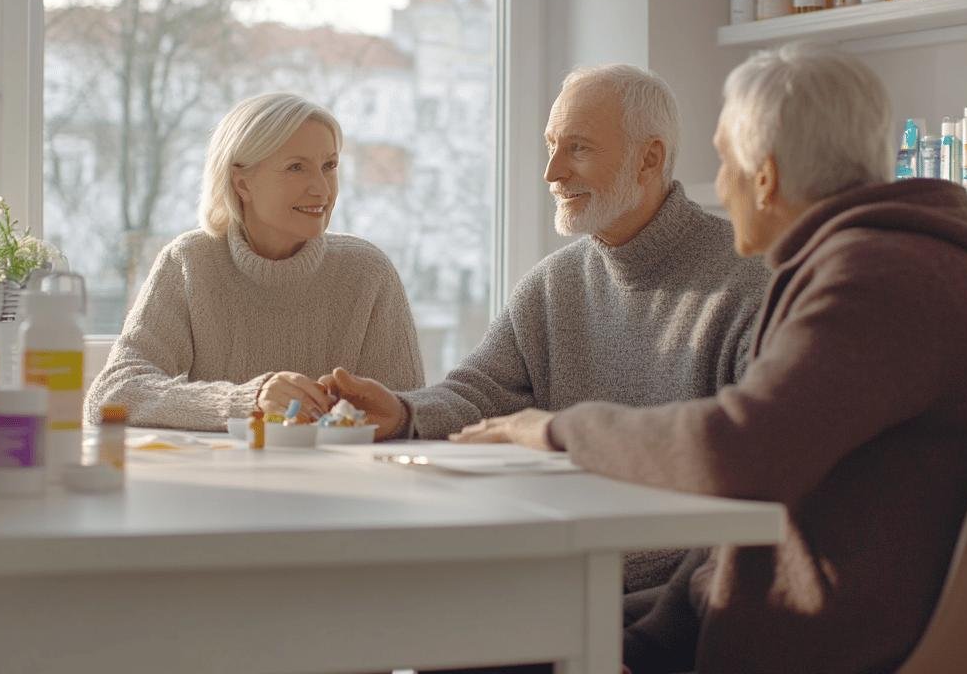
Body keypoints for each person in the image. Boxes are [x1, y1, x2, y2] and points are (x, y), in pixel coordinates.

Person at [458, 43, 967, 674]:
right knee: (495, 640)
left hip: (850, 642)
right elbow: (759, 497)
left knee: (474, 650)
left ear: (765, 177)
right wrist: (648, 639)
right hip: (845, 617)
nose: (718, 187)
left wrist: (553, 429)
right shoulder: (898, 263)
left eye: (723, 163)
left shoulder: (875, 278)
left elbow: (734, 452)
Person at [326, 63, 769, 591]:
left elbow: (751, 473)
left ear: (648, 159)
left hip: (665, 602)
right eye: (551, 146)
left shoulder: (749, 280)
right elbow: (479, 394)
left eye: (578, 148)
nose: (552, 172)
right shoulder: (554, 283)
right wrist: (402, 412)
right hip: (554, 569)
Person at [85, 92, 424, 431]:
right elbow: (112, 396)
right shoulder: (190, 262)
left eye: (329, 166)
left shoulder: (368, 272)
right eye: (296, 168)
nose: (321, 189)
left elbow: (410, 419)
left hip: (337, 481)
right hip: (215, 480)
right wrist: (248, 402)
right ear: (242, 182)